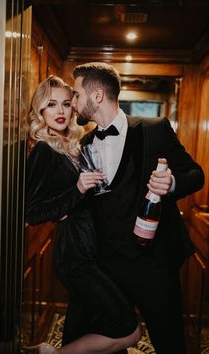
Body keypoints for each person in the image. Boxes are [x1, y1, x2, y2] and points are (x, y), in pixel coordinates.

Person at [70, 62, 205, 354]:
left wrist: (170, 183)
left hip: (153, 264)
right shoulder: (85, 142)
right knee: (111, 340)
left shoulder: (155, 129)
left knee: (170, 342)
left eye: (76, 94)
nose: (73, 101)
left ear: (96, 96)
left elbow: (196, 174)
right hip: (106, 266)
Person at [24, 75, 141, 354]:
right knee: (129, 330)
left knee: (84, 327)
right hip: (75, 256)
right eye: (51, 104)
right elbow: (31, 212)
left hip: (93, 251)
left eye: (66, 103)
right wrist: (76, 190)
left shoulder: (71, 146)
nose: (61, 111)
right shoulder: (43, 149)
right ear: (40, 110)